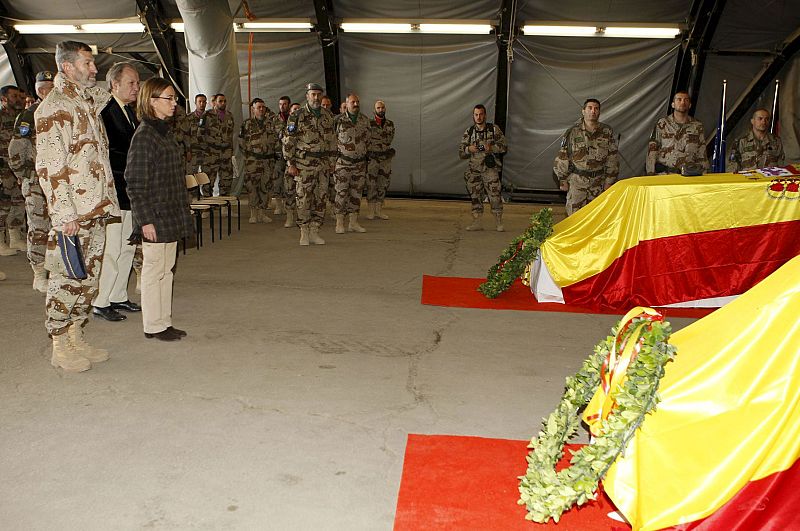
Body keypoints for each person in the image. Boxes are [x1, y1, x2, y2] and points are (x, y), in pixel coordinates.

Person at [35, 40, 119, 372]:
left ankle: (75, 334)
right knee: (66, 277)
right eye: (87, 63)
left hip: (95, 206)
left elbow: (106, 93)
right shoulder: (55, 107)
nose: (93, 69)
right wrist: (64, 215)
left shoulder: (83, 101)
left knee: (88, 278)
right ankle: (59, 343)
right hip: (74, 212)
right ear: (67, 67)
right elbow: (50, 166)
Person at [125, 78, 194, 342]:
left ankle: (163, 321)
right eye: (169, 98)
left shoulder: (164, 131)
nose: (174, 103)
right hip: (155, 216)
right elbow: (135, 182)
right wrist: (145, 221)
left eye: (174, 98)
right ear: (152, 101)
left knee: (167, 270)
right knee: (154, 272)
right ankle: (153, 325)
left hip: (171, 213)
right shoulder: (145, 136)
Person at [92, 62, 142, 322]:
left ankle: (118, 295)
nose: (136, 87)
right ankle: (101, 301)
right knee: (112, 249)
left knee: (127, 247)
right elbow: (109, 155)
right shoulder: (106, 112)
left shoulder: (128, 112)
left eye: (137, 83)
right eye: (131, 83)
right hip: (114, 191)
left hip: (128, 191)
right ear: (115, 84)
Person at [8, 71, 54, 291]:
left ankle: (54, 269)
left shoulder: (59, 112)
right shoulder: (29, 115)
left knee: (57, 227)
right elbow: (16, 150)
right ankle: (39, 273)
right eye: (47, 87)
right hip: (36, 182)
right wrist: (24, 176)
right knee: (38, 227)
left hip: (57, 182)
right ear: (41, 91)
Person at [282, 82, 336, 246]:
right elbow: (288, 141)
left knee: (321, 197)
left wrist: (332, 161)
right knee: (304, 198)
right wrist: (290, 162)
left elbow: (333, 140)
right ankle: (303, 231)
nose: (316, 97)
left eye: (319, 94)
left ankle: (314, 230)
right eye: (313, 94)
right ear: (307, 96)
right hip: (304, 164)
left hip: (323, 164)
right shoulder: (297, 116)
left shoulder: (327, 115)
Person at [553, 98, 620, 216]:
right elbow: (563, 156)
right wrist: (562, 179)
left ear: (599, 112)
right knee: (574, 218)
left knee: (595, 217)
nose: (593, 111)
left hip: (598, 183)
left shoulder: (606, 131)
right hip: (577, 182)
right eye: (590, 108)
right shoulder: (572, 132)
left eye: (596, 108)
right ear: (583, 111)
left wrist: (609, 180)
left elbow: (612, 157)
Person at [458, 104, 507, 231]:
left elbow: (504, 146)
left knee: (495, 195)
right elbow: (461, 151)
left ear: (485, 115)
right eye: (476, 115)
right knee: (475, 196)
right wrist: (469, 149)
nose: (478, 117)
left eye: (481, 114)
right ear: (473, 116)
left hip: (490, 169)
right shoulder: (469, 132)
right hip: (474, 169)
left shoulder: (494, 129)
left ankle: (498, 221)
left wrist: (491, 148)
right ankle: (477, 221)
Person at [333, 92, 370, 234]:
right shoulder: (338, 120)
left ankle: (353, 223)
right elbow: (332, 141)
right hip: (343, 163)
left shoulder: (364, 120)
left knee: (356, 194)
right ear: (346, 104)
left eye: (357, 102)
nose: (356, 104)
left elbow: (368, 140)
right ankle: (340, 222)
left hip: (359, 164)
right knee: (341, 193)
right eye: (353, 102)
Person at [646, 91, 708, 175]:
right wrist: (650, 173)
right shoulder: (662, 124)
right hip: (665, 175)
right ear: (673, 104)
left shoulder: (697, 126)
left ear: (690, 105)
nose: (682, 102)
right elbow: (652, 150)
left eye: (686, 100)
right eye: (679, 99)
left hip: (688, 175)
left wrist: (704, 173)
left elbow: (702, 152)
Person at [240, 97, 279, 224]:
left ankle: (262, 213)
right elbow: (241, 143)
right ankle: (253, 213)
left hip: (268, 161)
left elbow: (277, 141)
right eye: (258, 107)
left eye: (263, 107)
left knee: (265, 186)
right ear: (253, 109)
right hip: (253, 161)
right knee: (252, 187)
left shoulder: (271, 123)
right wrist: (248, 156)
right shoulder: (247, 124)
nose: (261, 109)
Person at [0, 84, 25, 256]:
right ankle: (0, 242)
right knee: (3, 204)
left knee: (18, 201)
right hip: (2, 167)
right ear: (3, 99)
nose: (18, 100)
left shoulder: (20, 117)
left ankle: (15, 237)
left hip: (17, 167)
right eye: (14, 96)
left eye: (19, 96)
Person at [366, 99, 395, 220]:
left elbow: (389, 140)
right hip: (372, 158)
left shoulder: (390, 124)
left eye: (382, 108)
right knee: (371, 183)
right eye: (378, 108)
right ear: (374, 110)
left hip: (385, 159)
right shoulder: (368, 124)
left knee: (383, 184)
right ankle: (371, 210)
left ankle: (379, 210)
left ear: (385, 109)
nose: (380, 110)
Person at [204, 93, 235, 196]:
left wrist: (232, 152)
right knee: (208, 181)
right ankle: (207, 208)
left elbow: (231, 135)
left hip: (226, 153)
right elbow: (200, 134)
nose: (223, 103)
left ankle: (224, 205)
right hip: (211, 152)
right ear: (214, 102)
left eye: (224, 101)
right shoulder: (207, 115)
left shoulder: (229, 116)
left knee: (226, 180)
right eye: (220, 101)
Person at [282, 102, 303, 228]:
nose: (297, 111)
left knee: (302, 193)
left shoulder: (305, 125)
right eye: (294, 109)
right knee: (289, 191)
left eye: (299, 109)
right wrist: (290, 163)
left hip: (304, 163)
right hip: (291, 163)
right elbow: (287, 145)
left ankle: (302, 217)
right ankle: (289, 217)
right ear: (290, 112)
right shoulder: (290, 127)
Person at [271, 95, 291, 215]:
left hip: (290, 156)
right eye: (280, 104)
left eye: (284, 104)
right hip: (278, 154)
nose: (282, 106)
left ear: (288, 105)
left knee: (289, 181)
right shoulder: (274, 120)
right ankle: (278, 205)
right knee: (277, 180)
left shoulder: (293, 118)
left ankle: (288, 204)